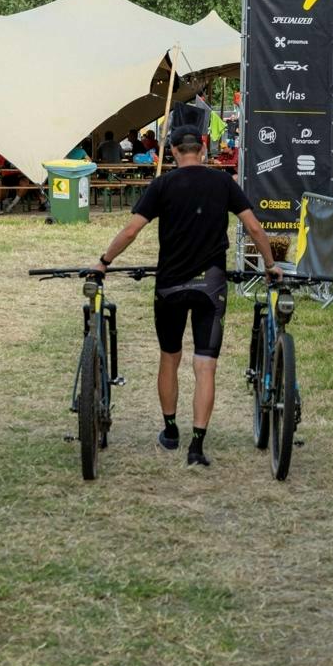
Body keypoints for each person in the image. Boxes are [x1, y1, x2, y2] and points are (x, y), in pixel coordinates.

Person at [93, 104, 280, 468]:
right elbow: (255, 228)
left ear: (174, 152)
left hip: (170, 286)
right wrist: (270, 265)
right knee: (205, 366)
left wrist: (103, 262)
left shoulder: (162, 185)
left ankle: (171, 430)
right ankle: (197, 444)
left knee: (170, 358)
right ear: (204, 150)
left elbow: (132, 230)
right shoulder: (223, 182)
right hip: (211, 285)